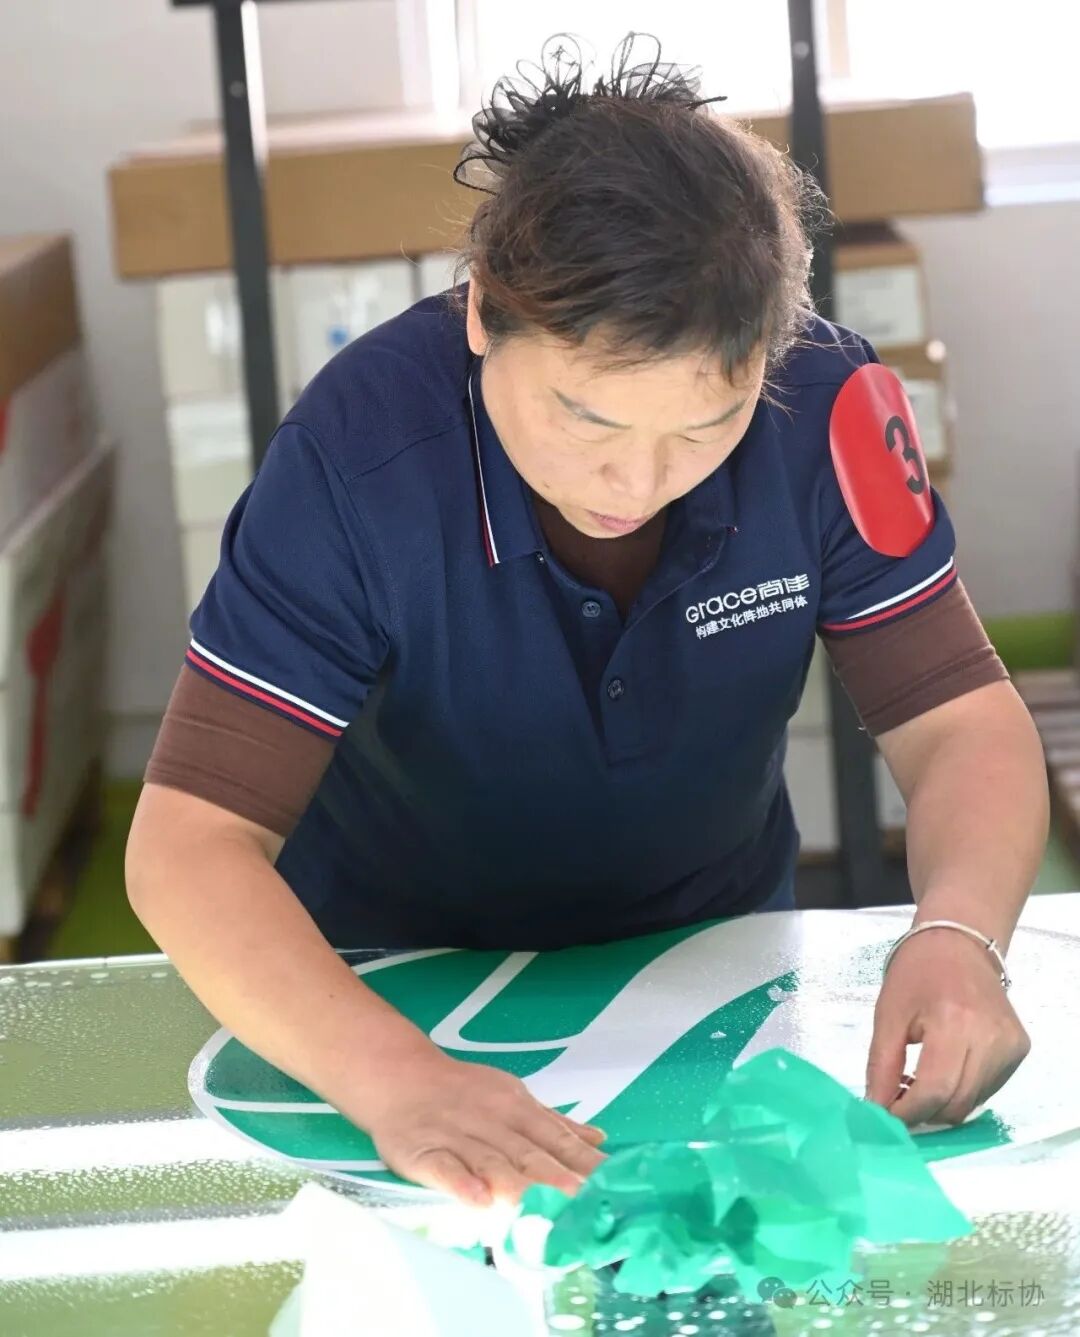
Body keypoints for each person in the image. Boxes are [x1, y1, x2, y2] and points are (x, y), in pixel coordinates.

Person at [126, 34, 1047, 1208]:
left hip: (716, 966)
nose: (636, 482)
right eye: (585, 418)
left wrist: (961, 932)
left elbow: (957, 717)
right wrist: (394, 1076)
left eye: (702, 428)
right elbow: (189, 842)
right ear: (481, 311)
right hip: (389, 982)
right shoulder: (355, 457)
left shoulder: (828, 407)